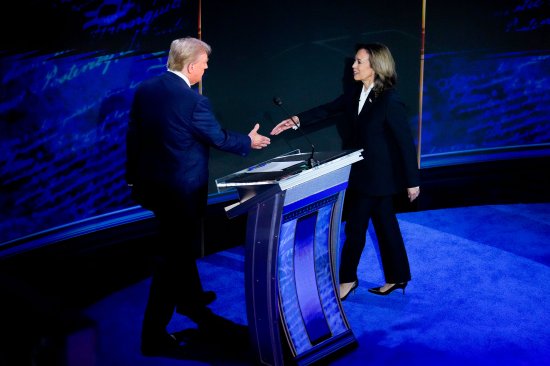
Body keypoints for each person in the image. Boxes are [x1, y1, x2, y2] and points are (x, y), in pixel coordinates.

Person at [126, 36, 271, 356]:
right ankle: (153, 334)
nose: (206, 68)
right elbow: (217, 137)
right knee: (171, 259)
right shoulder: (194, 102)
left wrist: (133, 183)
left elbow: (134, 138)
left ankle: (191, 300)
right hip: (181, 193)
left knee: (177, 247)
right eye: (205, 64)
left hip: (155, 190)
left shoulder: (146, 89)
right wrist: (249, 141)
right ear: (191, 66)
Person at [271, 43, 419, 300]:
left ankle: (348, 279)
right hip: (361, 173)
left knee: (356, 228)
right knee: (385, 226)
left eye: (359, 62)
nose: (354, 66)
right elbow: (328, 109)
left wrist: (412, 181)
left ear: (375, 67)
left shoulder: (390, 101)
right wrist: (296, 120)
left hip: (379, 178)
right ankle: (398, 277)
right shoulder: (355, 93)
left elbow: (405, 144)